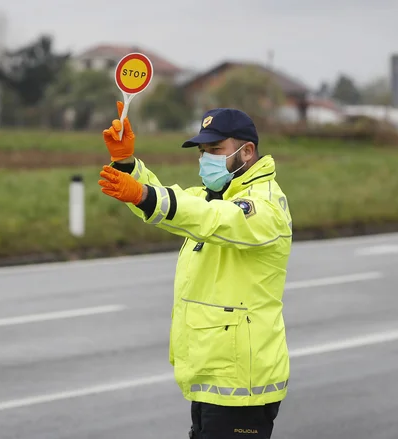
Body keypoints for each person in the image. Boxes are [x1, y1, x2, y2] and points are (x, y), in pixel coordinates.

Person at [98, 102, 293, 439]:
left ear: (247, 152)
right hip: (214, 378)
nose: (205, 159)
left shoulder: (264, 204)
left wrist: (144, 195)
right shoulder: (212, 196)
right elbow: (177, 204)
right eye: (202, 151)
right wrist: (128, 165)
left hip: (241, 384)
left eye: (215, 149)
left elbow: (212, 218)